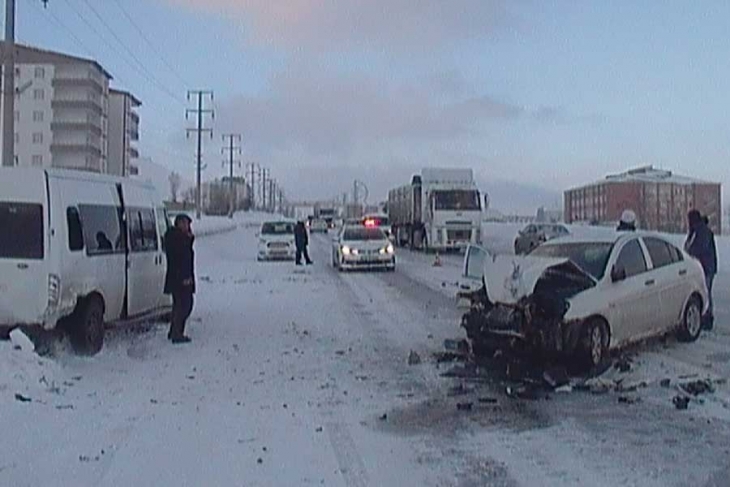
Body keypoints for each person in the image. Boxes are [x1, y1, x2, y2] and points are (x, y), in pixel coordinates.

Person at [164, 214, 196, 343]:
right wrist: (185, 278)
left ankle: (174, 332)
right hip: (180, 278)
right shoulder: (177, 238)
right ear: (179, 224)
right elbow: (179, 259)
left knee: (180, 305)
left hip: (182, 277)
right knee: (184, 306)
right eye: (185, 223)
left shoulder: (182, 238)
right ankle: (177, 333)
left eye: (188, 224)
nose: (187, 226)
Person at [685, 210, 717, 330]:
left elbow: (698, 248)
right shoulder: (697, 230)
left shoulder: (701, 231)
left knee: (706, 292)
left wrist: (688, 253)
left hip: (706, 267)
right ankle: (706, 316)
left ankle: (707, 318)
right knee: (704, 291)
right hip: (705, 266)